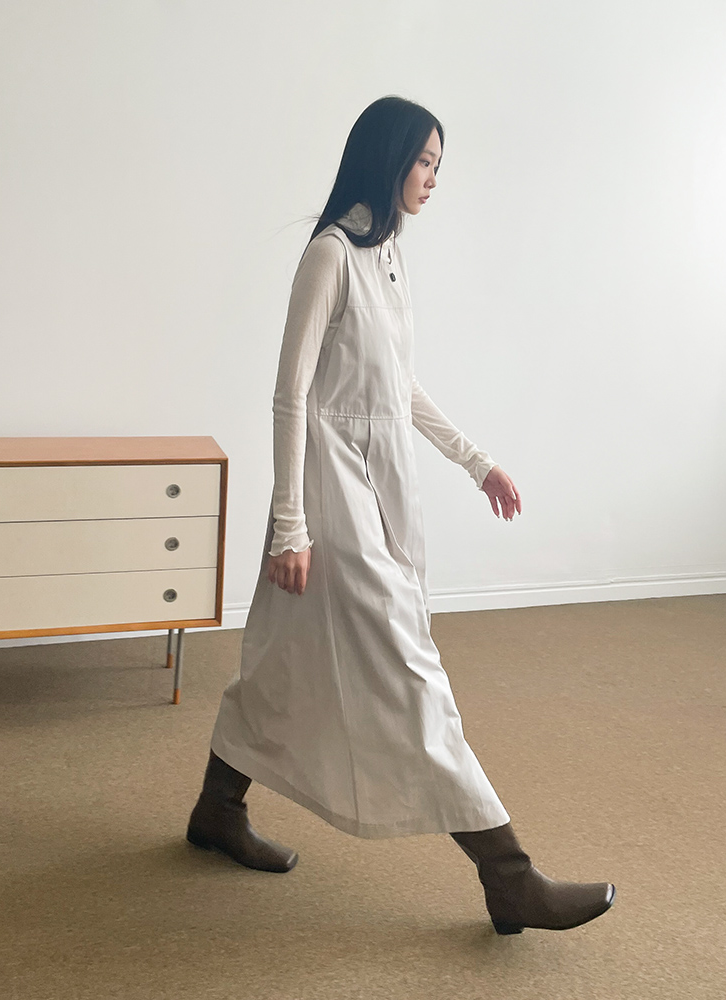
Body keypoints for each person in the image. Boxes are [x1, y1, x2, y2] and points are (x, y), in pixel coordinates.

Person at [187, 96, 615, 935]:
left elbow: (397, 385)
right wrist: (290, 526)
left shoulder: (387, 257)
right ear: (385, 158)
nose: (432, 179)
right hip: (329, 496)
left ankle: (216, 807)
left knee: (279, 663)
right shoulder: (330, 255)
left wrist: (476, 461)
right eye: (423, 161)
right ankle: (509, 876)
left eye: (438, 165)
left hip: (382, 485)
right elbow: (290, 394)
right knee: (413, 674)